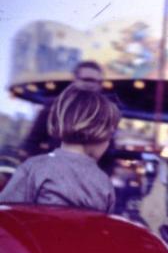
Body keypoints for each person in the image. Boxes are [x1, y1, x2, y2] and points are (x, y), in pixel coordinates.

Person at [0, 83, 120, 213]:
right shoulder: (103, 182)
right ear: (100, 134)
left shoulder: (34, 167)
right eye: (109, 136)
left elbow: (7, 214)